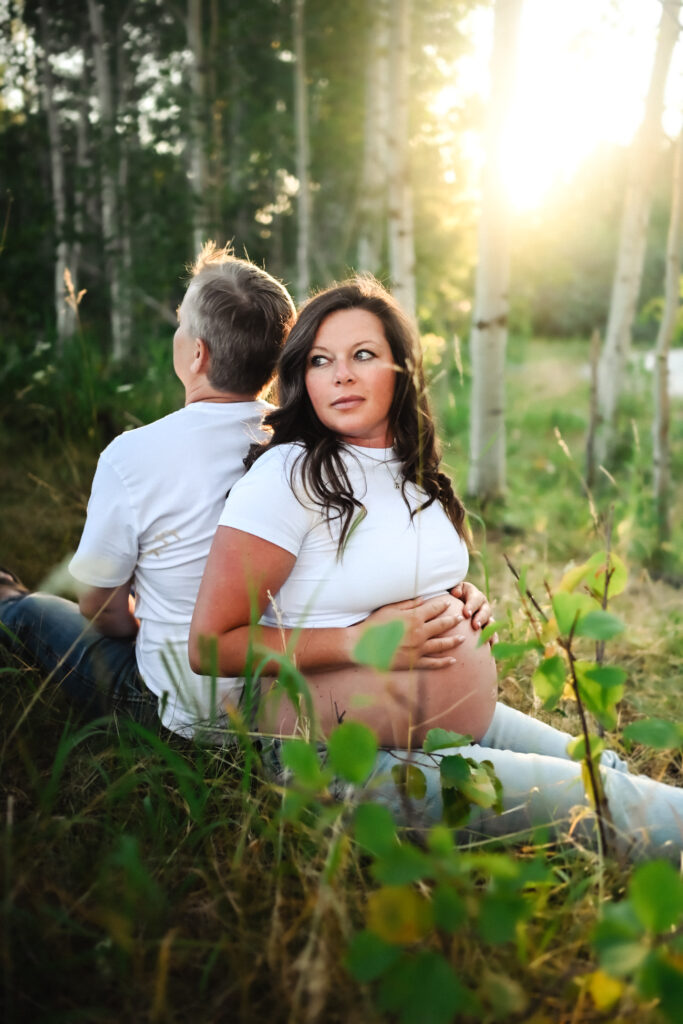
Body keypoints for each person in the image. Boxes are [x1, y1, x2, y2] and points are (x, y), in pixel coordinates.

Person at [189, 276, 683, 860]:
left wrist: (459, 596)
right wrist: (355, 642)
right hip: (332, 756)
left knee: (605, 768)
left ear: (400, 370)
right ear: (303, 377)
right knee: (607, 801)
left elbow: (377, 575)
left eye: (362, 355)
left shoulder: (408, 467)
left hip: (441, 722)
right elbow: (210, 646)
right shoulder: (289, 476)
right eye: (321, 361)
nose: (341, 374)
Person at [0, 243, 297, 738]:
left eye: (181, 322)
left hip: (172, 711)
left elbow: (100, 608)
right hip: (282, 707)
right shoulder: (303, 444)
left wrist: (140, 626)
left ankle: (7, 597)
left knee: (33, 611)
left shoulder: (132, 455)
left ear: (197, 354)